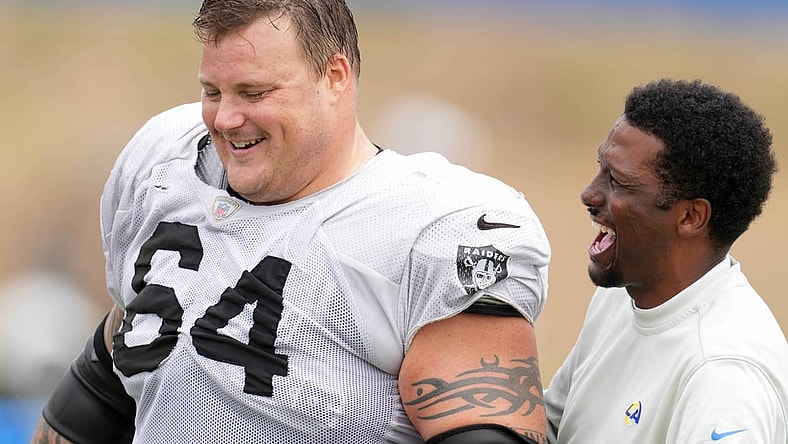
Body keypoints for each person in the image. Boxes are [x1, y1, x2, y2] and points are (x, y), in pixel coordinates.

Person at [31, 1, 551, 443]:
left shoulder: (427, 228)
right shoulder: (166, 169)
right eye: (213, 92)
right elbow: (117, 361)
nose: (225, 118)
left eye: (254, 94)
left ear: (335, 77)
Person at [544, 78, 788, 443]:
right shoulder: (623, 295)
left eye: (619, 182)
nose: (589, 194)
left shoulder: (722, 375)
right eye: (600, 169)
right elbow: (551, 430)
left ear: (690, 217)